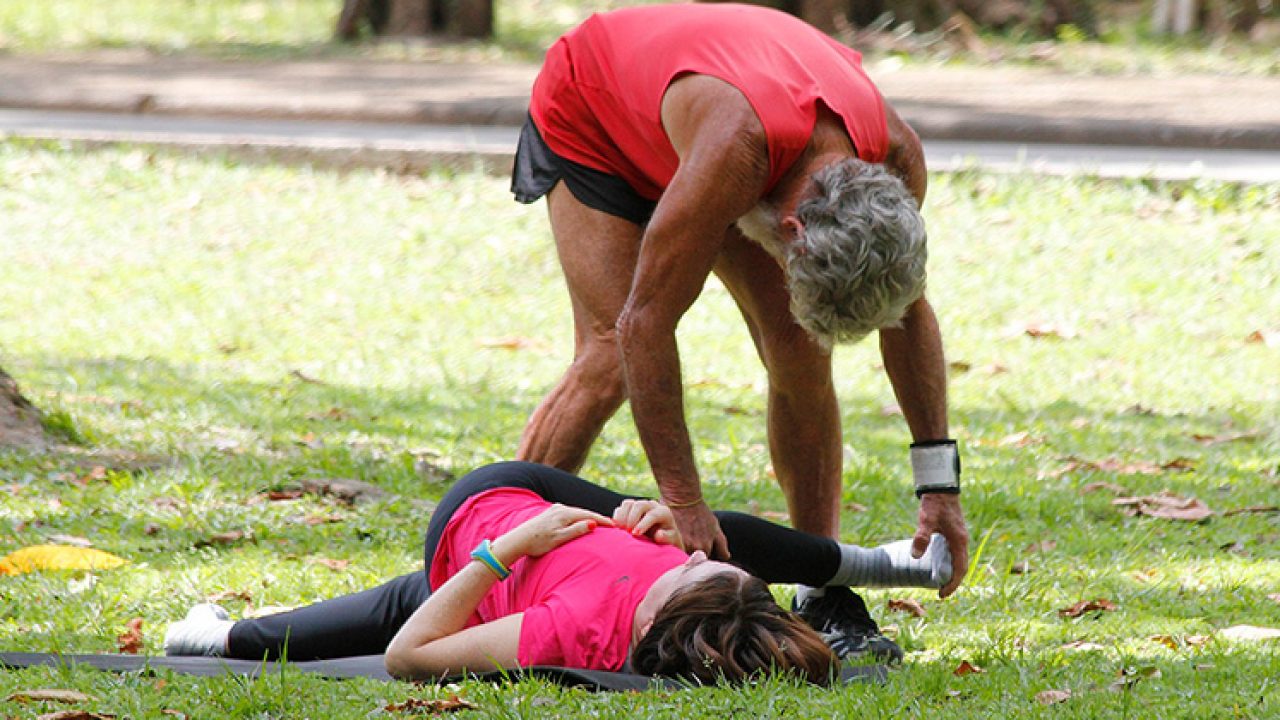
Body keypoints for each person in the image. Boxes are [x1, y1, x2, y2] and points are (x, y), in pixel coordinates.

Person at [509, 2, 969, 662]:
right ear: (792, 236)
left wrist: (939, 490)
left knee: (799, 358)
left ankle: (823, 589)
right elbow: (647, 325)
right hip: (601, 114)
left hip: (740, 128)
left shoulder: (893, 161)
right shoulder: (736, 150)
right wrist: (684, 501)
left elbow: (910, 311)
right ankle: (488, 552)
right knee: (611, 352)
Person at [164, 462, 952, 682]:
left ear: (656, 621)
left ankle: (220, 637)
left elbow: (408, 656)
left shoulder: (572, 630)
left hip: (487, 516)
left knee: (383, 617)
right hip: (551, 533)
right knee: (704, 526)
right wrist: (661, 526)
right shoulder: (713, 607)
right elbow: (718, 583)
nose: (687, 561)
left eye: (682, 573)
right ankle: (882, 563)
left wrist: (507, 550)